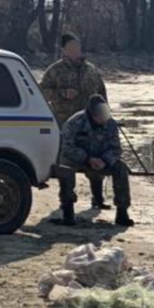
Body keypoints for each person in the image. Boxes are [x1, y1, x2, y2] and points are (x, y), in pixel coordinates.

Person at [40, 33, 112, 211]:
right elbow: (41, 91)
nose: (76, 50)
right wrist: (63, 94)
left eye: (78, 46)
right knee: (67, 163)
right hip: (66, 123)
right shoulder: (55, 70)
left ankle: (97, 198)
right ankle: (67, 200)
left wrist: (105, 116)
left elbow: (101, 94)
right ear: (64, 50)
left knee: (95, 160)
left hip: (91, 124)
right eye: (72, 47)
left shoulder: (91, 70)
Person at [53, 95, 134, 228]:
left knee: (121, 169)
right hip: (77, 159)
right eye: (99, 115)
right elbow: (66, 147)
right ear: (91, 114)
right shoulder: (74, 122)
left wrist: (105, 161)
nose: (103, 118)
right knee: (65, 169)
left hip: (101, 158)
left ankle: (122, 212)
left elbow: (116, 148)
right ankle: (68, 211)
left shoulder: (111, 123)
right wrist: (87, 158)